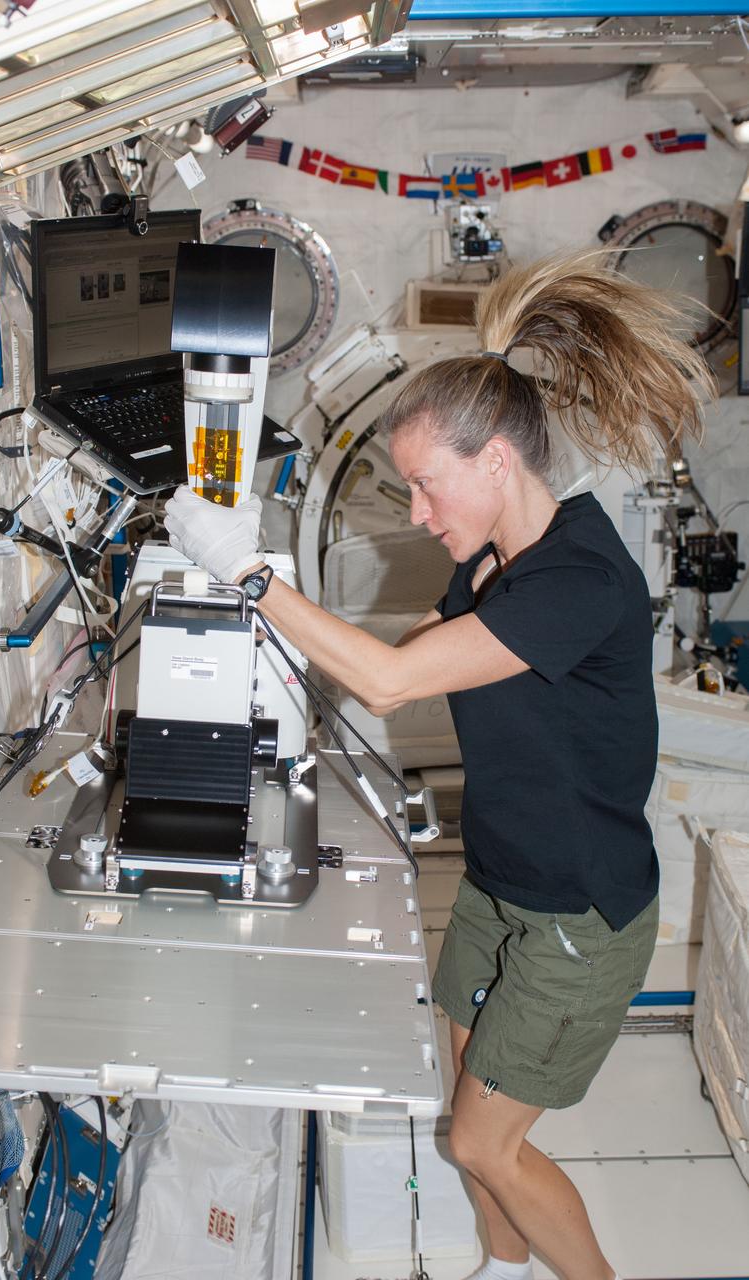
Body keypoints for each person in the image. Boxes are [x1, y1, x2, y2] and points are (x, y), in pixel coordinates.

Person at [163, 250, 714, 1280]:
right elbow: (408, 653)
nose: (415, 511)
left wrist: (246, 572)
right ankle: (504, 1264)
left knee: (482, 1141)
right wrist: (285, 636)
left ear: (495, 460)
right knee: (463, 1100)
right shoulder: (496, 559)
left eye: (425, 483)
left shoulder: (577, 580)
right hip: (500, 882)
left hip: (578, 912)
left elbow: (387, 683)